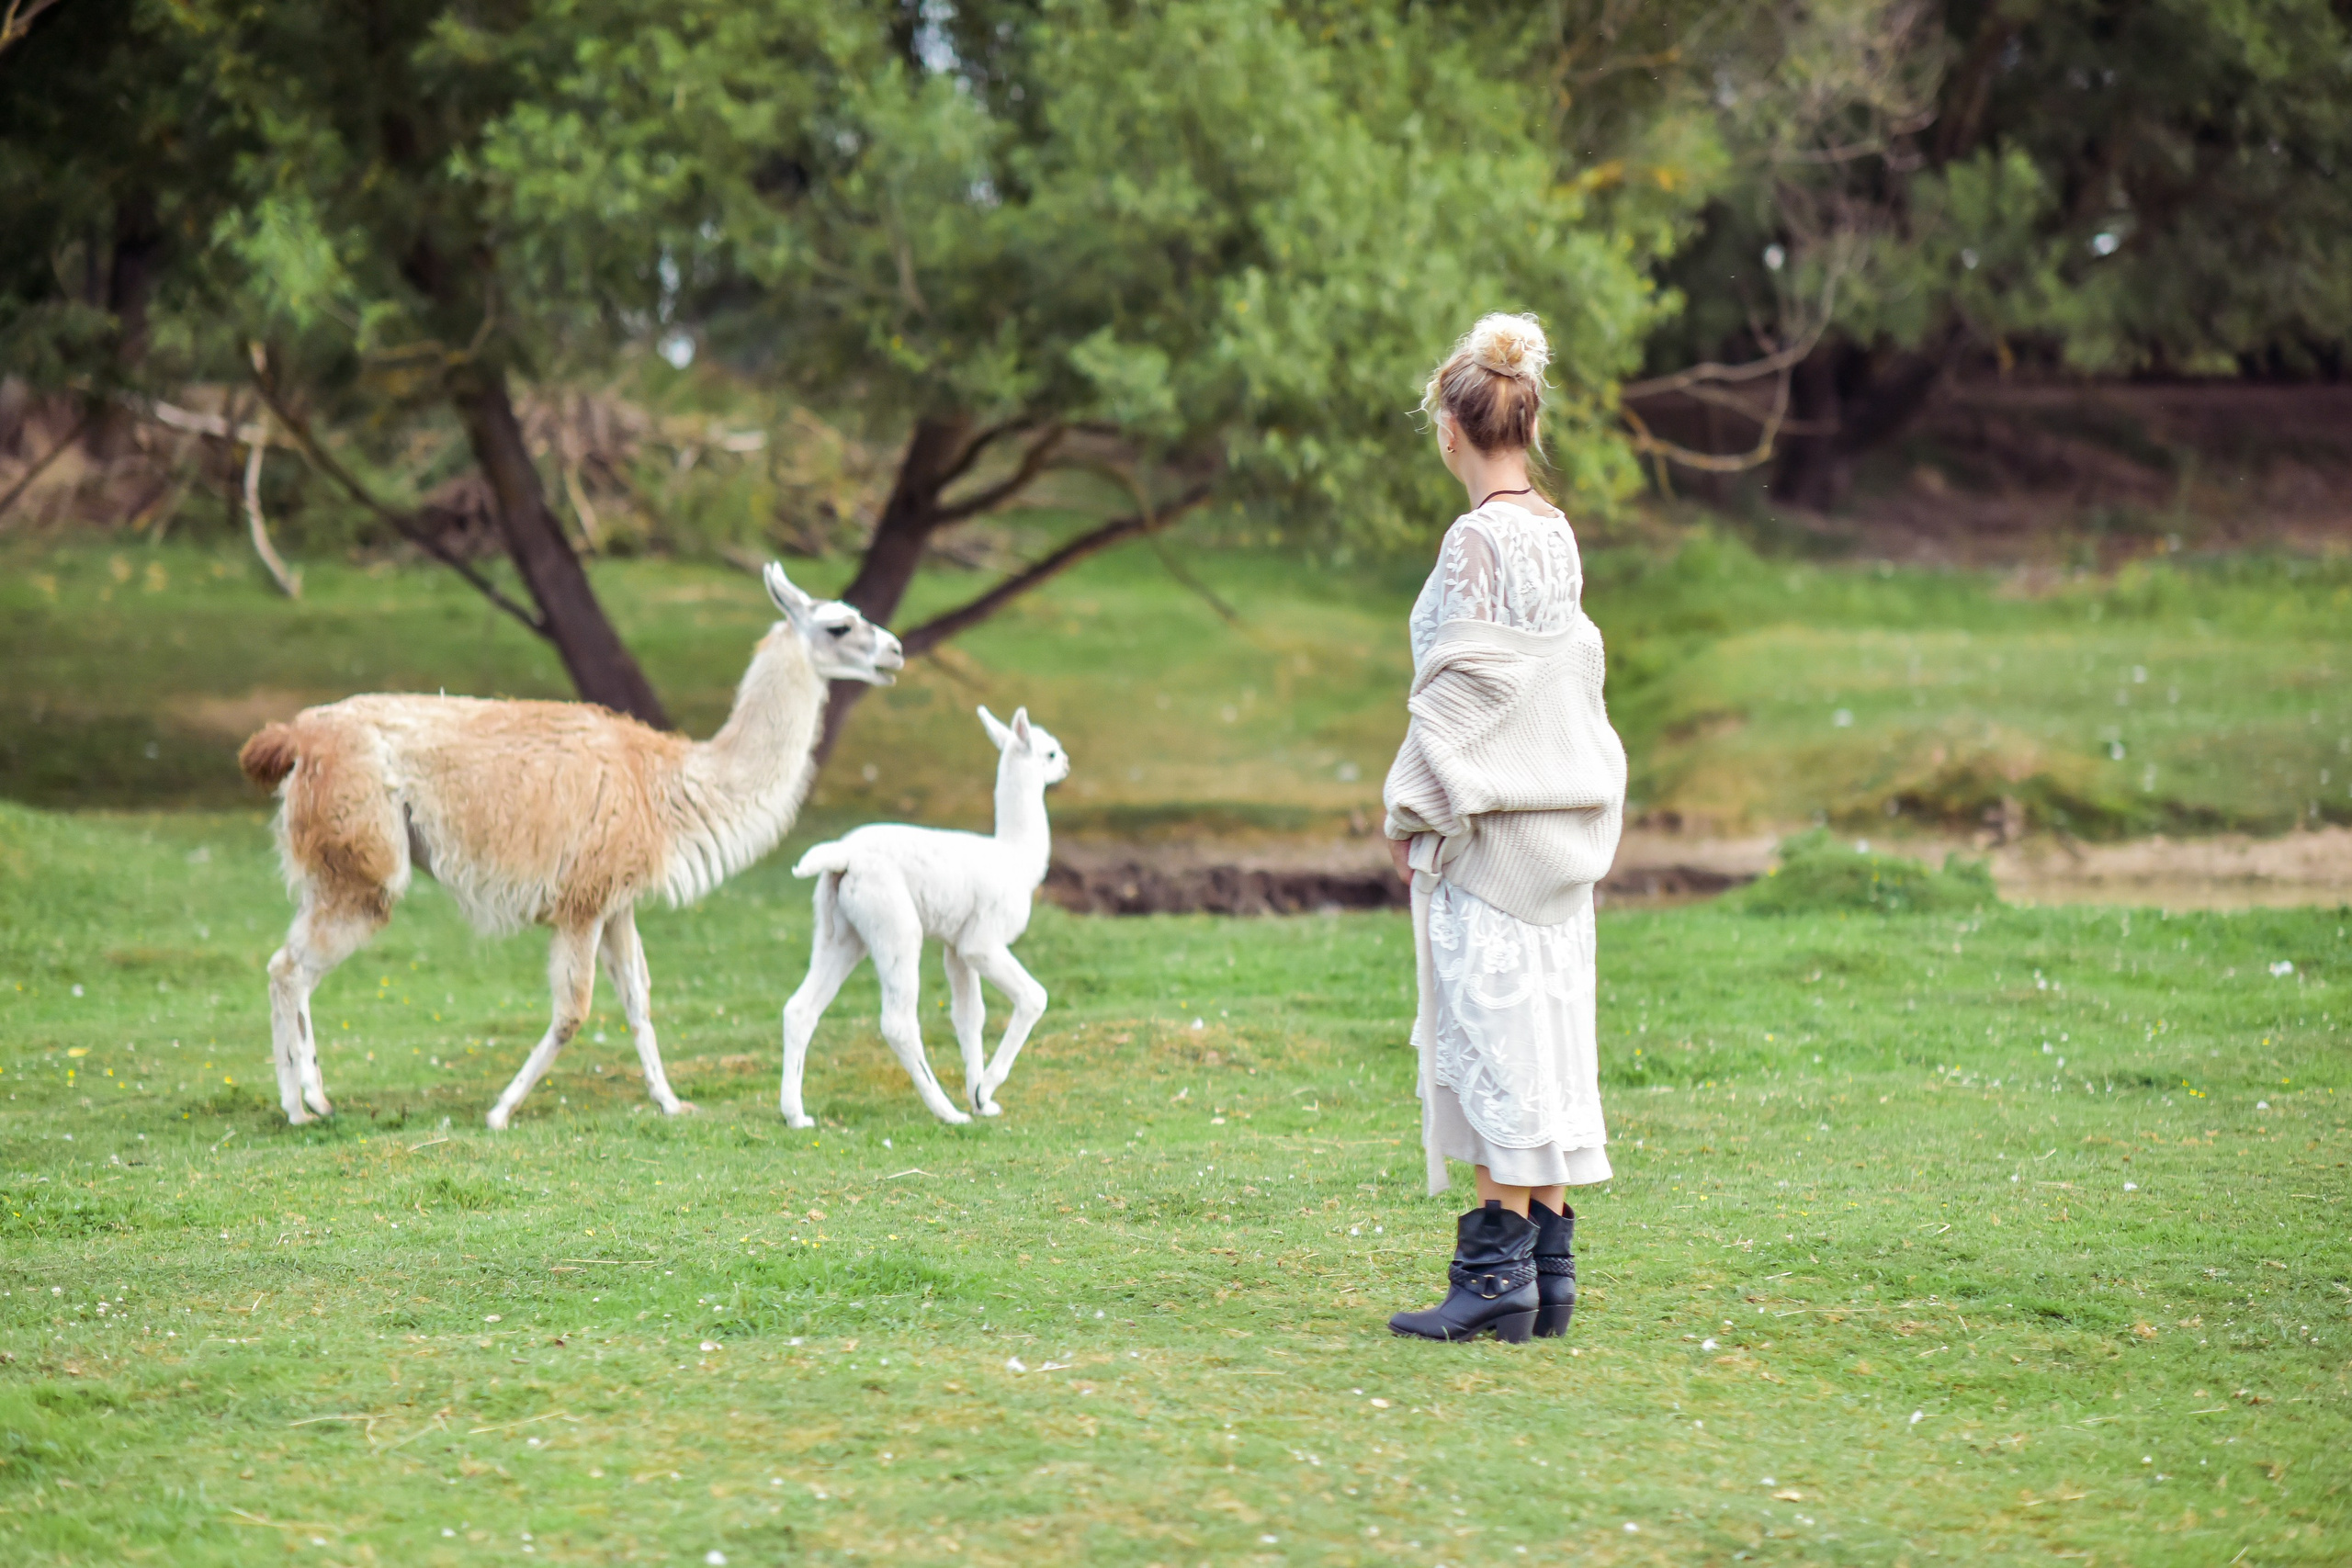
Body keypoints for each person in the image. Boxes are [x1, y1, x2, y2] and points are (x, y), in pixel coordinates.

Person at [1380, 313, 1627, 1344]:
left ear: (1451, 425)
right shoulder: (1556, 530)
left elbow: (1471, 691)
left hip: (1493, 838)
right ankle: (1547, 1264)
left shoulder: (1475, 536)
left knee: (1494, 1041)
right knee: (1545, 1033)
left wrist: (1412, 803)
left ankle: (1495, 1281)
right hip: (1557, 834)